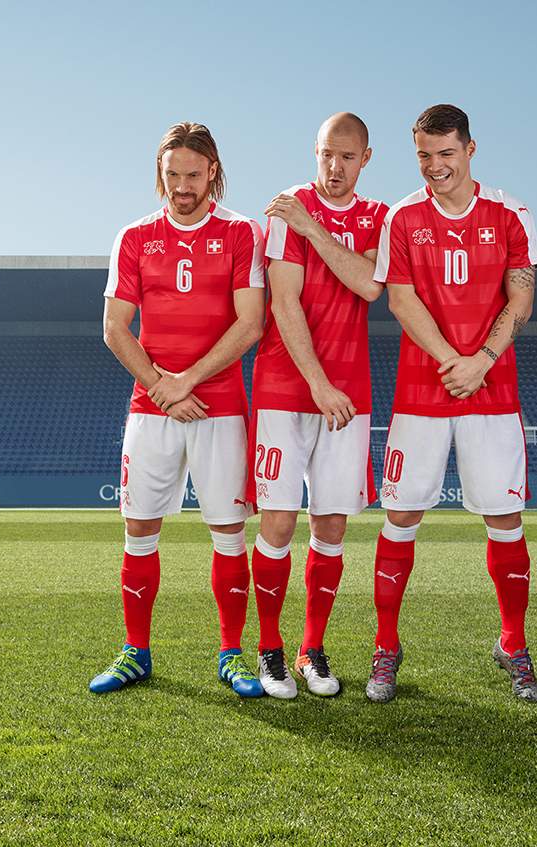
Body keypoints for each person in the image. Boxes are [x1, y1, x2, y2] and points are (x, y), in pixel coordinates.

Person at [369, 103, 537, 703]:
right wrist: (454, 360)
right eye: (424, 155)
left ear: (470, 149)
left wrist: (482, 362)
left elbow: (520, 297)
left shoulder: (510, 212)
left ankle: (513, 644)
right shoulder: (403, 215)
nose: (435, 166)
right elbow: (399, 298)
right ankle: (386, 647)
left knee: (504, 519)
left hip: (492, 396)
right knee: (401, 518)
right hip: (421, 396)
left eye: (445, 154)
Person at [94, 121, 266, 698]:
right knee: (139, 526)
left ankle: (231, 653)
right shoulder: (135, 237)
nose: (182, 187)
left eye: (193, 175)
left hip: (219, 408)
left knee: (228, 530)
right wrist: (162, 386)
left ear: (212, 170)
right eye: (172, 176)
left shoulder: (241, 232)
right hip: (150, 408)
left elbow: (251, 322)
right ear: (159, 174)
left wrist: (186, 380)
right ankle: (136, 652)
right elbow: (115, 329)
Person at [252, 113, 390, 698]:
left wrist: (316, 231)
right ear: (315, 152)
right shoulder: (288, 208)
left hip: (348, 395)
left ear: (365, 159)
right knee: (279, 520)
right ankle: (269, 649)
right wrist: (318, 384)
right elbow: (284, 303)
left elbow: (369, 285)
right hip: (288, 390)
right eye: (327, 155)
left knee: (331, 523)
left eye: (348, 157)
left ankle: (312, 648)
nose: (335, 168)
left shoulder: (379, 218)